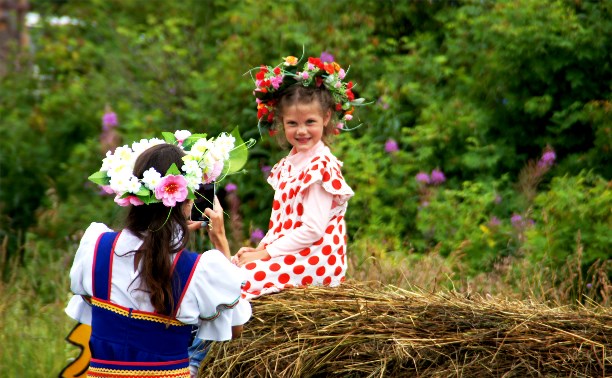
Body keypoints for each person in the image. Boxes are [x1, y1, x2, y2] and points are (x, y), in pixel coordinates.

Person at [65, 130, 251, 378]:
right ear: (187, 201)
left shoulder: (97, 248)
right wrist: (221, 241)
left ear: (133, 196)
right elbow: (234, 328)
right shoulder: (199, 269)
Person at [233, 54, 366, 299]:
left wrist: (265, 254)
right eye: (293, 123)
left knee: (237, 282)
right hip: (294, 253)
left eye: (310, 122)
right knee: (229, 269)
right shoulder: (288, 165)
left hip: (315, 259)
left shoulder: (321, 165)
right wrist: (260, 249)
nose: (302, 131)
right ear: (282, 122)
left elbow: (313, 230)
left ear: (326, 118)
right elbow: (282, 223)